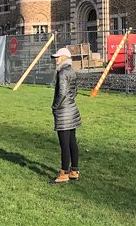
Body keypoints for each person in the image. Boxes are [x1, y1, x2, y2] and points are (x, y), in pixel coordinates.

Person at [49, 47, 82, 185]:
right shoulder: (71, 71)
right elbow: (75, 91)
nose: (56, 59)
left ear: (64, 57)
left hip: (63, 112)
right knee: (72, 141)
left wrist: (55, 106)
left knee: (64, 144)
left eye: (58, 57)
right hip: (72, 109)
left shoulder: (62, 73)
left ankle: (64, 173)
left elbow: (61, 93)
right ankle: (74, 170)